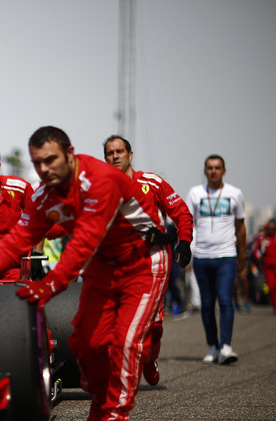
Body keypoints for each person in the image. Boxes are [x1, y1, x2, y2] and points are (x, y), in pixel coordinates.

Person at [0, 126, 168, 421]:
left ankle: (114, 420)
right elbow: (14, 243)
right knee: (85, 344)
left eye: (51, 160)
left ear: (70, 155)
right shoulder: (43, 196)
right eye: (37, 162)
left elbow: (85, 240)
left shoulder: (102, 180)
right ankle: (99, 399)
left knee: (125, 344)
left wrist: (48, 286)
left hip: (143, 263)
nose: (44, 169)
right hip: (101, 268)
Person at [103, 134, 193, 386]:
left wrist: (184, 240)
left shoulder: (151, 183)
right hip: (116, 268)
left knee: (152, 327)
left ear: (130, 155)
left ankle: (150, 358)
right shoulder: (99, 188)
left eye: (119, 151)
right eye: (110, 153)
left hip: (151, 266)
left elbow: (181, 212)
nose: (115, 156)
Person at [186, 154, 246, 365]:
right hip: (202, 257)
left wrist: (242, 255)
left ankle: (226, 347)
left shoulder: (234, 194)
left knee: (225, 300)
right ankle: (212, 346)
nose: (213, 171)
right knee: (207, 304)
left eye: (217, 168)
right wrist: (187, 251)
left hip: (227, 256)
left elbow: (240, 226)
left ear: (224, 170)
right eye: (210, 168)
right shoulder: (195, 193)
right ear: (205, 170)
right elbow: (187, 224)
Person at [253, 219, 276, 313]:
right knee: (272, 287)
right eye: (269, 228)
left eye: (273, 229)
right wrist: (259, 258)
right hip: (268, 268)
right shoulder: (262, 239)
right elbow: (256, 252)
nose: (271, 230)